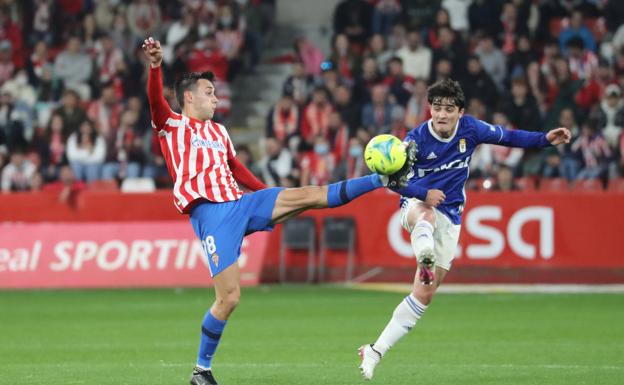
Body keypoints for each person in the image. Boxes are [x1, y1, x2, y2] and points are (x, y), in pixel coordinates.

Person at [141, 37, 415, 385]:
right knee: (228, 299)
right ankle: (201, 370)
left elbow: (236, 169)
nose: (215, 97)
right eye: (209, 91)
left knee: (308, 195)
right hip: (212, 215)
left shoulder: (220, 132)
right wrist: (155, 66)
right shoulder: (172, 125)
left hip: (242, 204)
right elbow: (154, 102)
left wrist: (269, 196)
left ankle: (381, 179)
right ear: (189, 97)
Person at [358, 78, 571, 380]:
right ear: (429, 109)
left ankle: (375, 350)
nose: (441, 115)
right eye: (436, 108)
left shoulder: (471, 129)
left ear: (459, 111)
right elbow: (392, 181)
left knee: (423, 295)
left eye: (447, 109)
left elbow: (509, 137)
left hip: (452, 216)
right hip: (417, 206)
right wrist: (422, 194)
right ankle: (425, 255)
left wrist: (545, 139)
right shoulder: (415, 140)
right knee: (426, 217)